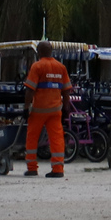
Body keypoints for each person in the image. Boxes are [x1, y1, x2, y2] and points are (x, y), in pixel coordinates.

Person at [21, 42, 71, 178]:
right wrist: (66, 108)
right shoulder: (61, 67)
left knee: (32, 137)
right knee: (56, 138)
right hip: (55, 110)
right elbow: (66, 90)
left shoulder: (37, 66)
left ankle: (32, 168)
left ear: (39, 52)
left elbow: (30, 89)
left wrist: (26, 107)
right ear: (51, 51)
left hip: (38, 110)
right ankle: (58, 169)